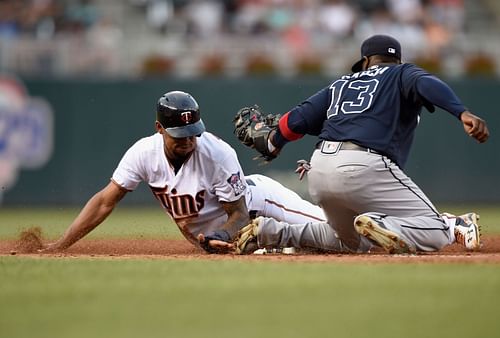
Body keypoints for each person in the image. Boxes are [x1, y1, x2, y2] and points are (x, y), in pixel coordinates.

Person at [235, 34, 489, 254]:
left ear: (365, 62)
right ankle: (381, 223)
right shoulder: (403, 72)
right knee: (436, 228)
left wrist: (273, 141)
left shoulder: (341, 84)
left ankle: (270, 232)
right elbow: (427, 83)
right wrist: (462, 113)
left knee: (346, 241)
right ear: (397, 61)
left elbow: (296, 120)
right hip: (364, 165)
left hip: (320, 169)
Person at [40, 90, 333, 254]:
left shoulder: (217, 154)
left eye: (193, 133)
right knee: (296, 252)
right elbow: (105, 201)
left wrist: (219, 235)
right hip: (221, 237)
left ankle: (375, 231)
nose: (189, 141)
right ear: (159, 129)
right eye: (180, 135)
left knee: (332, 234)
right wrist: (61, 245)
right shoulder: (143, 153)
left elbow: (240, 214)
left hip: (261, 205)